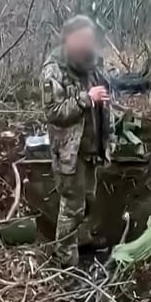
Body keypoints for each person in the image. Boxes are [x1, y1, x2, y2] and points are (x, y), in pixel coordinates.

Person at [41, 14, 113, 267]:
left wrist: (109, 138)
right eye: (82, 41)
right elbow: (54, 113)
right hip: (69, 153)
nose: (88, 45)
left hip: (92, 148)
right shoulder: (53, 70)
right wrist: (86, 99)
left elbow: (105, 106)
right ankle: (66, 260)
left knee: (89, 200)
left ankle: (82, 240)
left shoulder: (91, 65)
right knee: (71, 207)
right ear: (69, 41)